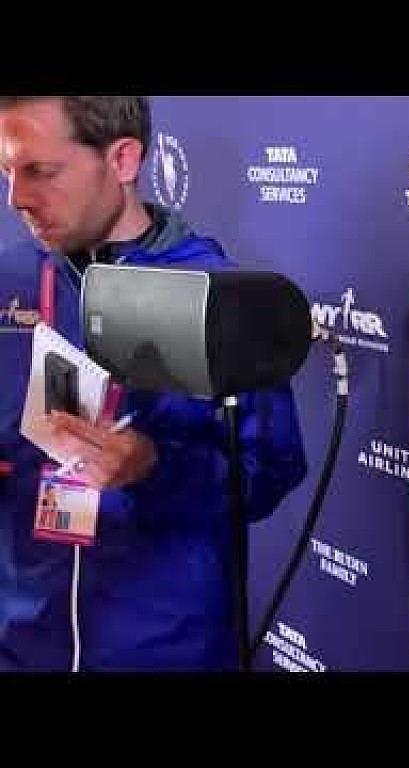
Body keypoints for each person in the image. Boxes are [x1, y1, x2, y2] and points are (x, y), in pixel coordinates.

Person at [0, 96, 308, 671]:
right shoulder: (9, 281)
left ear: (122, 159)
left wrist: (154, 468)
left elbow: (269, 472)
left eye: (41, 171)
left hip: (167, 648)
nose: (16, 198)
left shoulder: (221, 296)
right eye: (7, 171)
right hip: (23, 646)